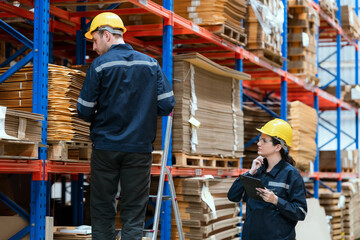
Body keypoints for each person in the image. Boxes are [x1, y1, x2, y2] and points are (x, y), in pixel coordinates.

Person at [77, 12, 175, 240]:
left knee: (102, 210)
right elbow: (167, 104)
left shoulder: (99, 66)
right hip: (139, 150)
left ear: (107, 35)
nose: (93, 47)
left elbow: (83, 110)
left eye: (94, 40)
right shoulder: (150, 64)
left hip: (105, 149)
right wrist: (143, 114)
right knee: (134, 213)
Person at [228, 118, 307, 240]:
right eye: (259, 139)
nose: (259, 143)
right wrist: (250, 172)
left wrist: (276, 200)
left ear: (277, 147)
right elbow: (233, 196)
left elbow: (300, 212)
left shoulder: (291, 175)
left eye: (264, 141)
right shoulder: (258, 171)